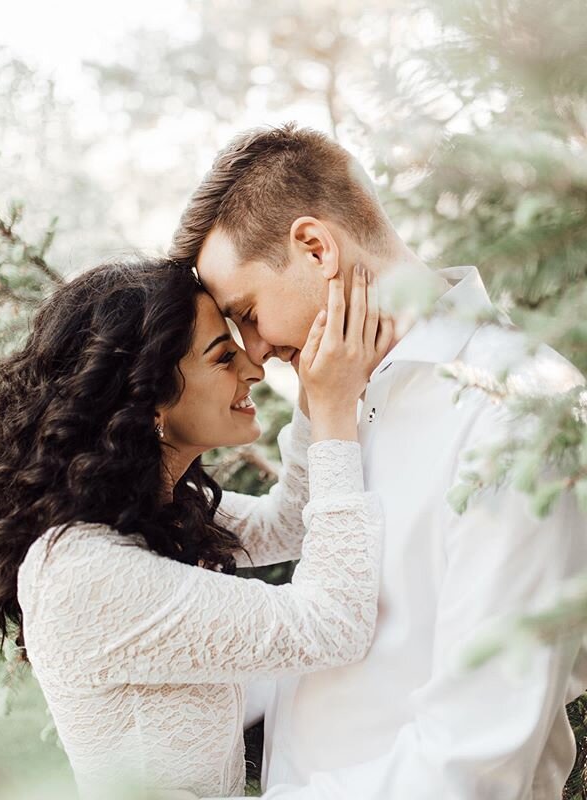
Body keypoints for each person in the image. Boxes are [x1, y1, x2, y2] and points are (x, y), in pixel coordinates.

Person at [169, 123, 587, 800]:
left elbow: (478, 758)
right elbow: (352, 640)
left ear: (315, 247)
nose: (252, 352)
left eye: (246, 313)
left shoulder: (514, 411)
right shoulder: (340, 395)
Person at [0, 259, 394, 799]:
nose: (253, 368)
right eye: (223, 357)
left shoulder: (153, 508)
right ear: (151, 394)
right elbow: (331, 626)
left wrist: (312, 390)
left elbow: (288, 523)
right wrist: (333, 411)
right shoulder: (84, 569)